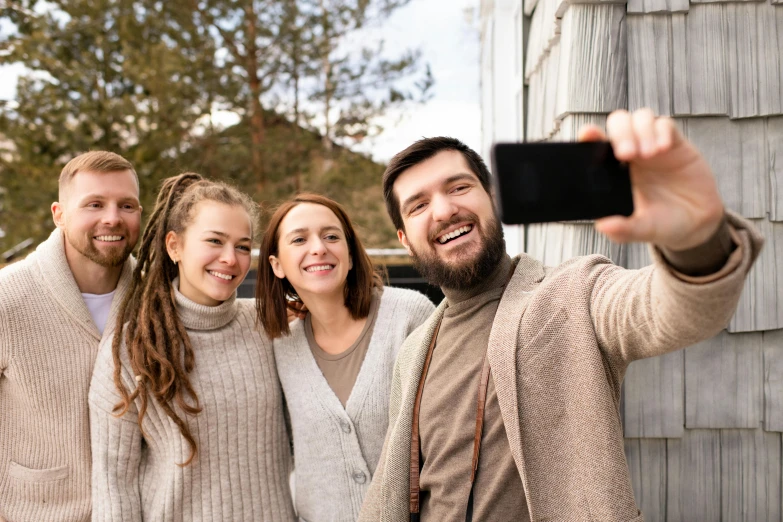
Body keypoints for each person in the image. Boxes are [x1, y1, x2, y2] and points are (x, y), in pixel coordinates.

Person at [357, 109, 764, 521]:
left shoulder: (573, 294)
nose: (443, 211)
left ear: (493, 199)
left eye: (459, 187)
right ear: (405, 241)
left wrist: (694, 240)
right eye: (419, 205)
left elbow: (667, 310)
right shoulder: (414, 352)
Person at [89, 173, 295, 521]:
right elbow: (113, 483)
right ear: (175, 246)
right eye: (215, 241)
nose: (231, 258)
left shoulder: (270, 328)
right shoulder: (133, 347)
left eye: (243, 246)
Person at [256, 193, 434, 522]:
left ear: (350, 255)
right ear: (277, 265)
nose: (319, 248)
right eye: (299, 239)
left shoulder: (409, 315)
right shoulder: (281, 346)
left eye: (331, 236)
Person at [0, 151, 140, 522]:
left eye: (126, 205)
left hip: (136, 511)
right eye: (94, 204)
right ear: (59, 214)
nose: (112, 217)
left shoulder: (155, 298)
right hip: (35, 512)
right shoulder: (7, 298)